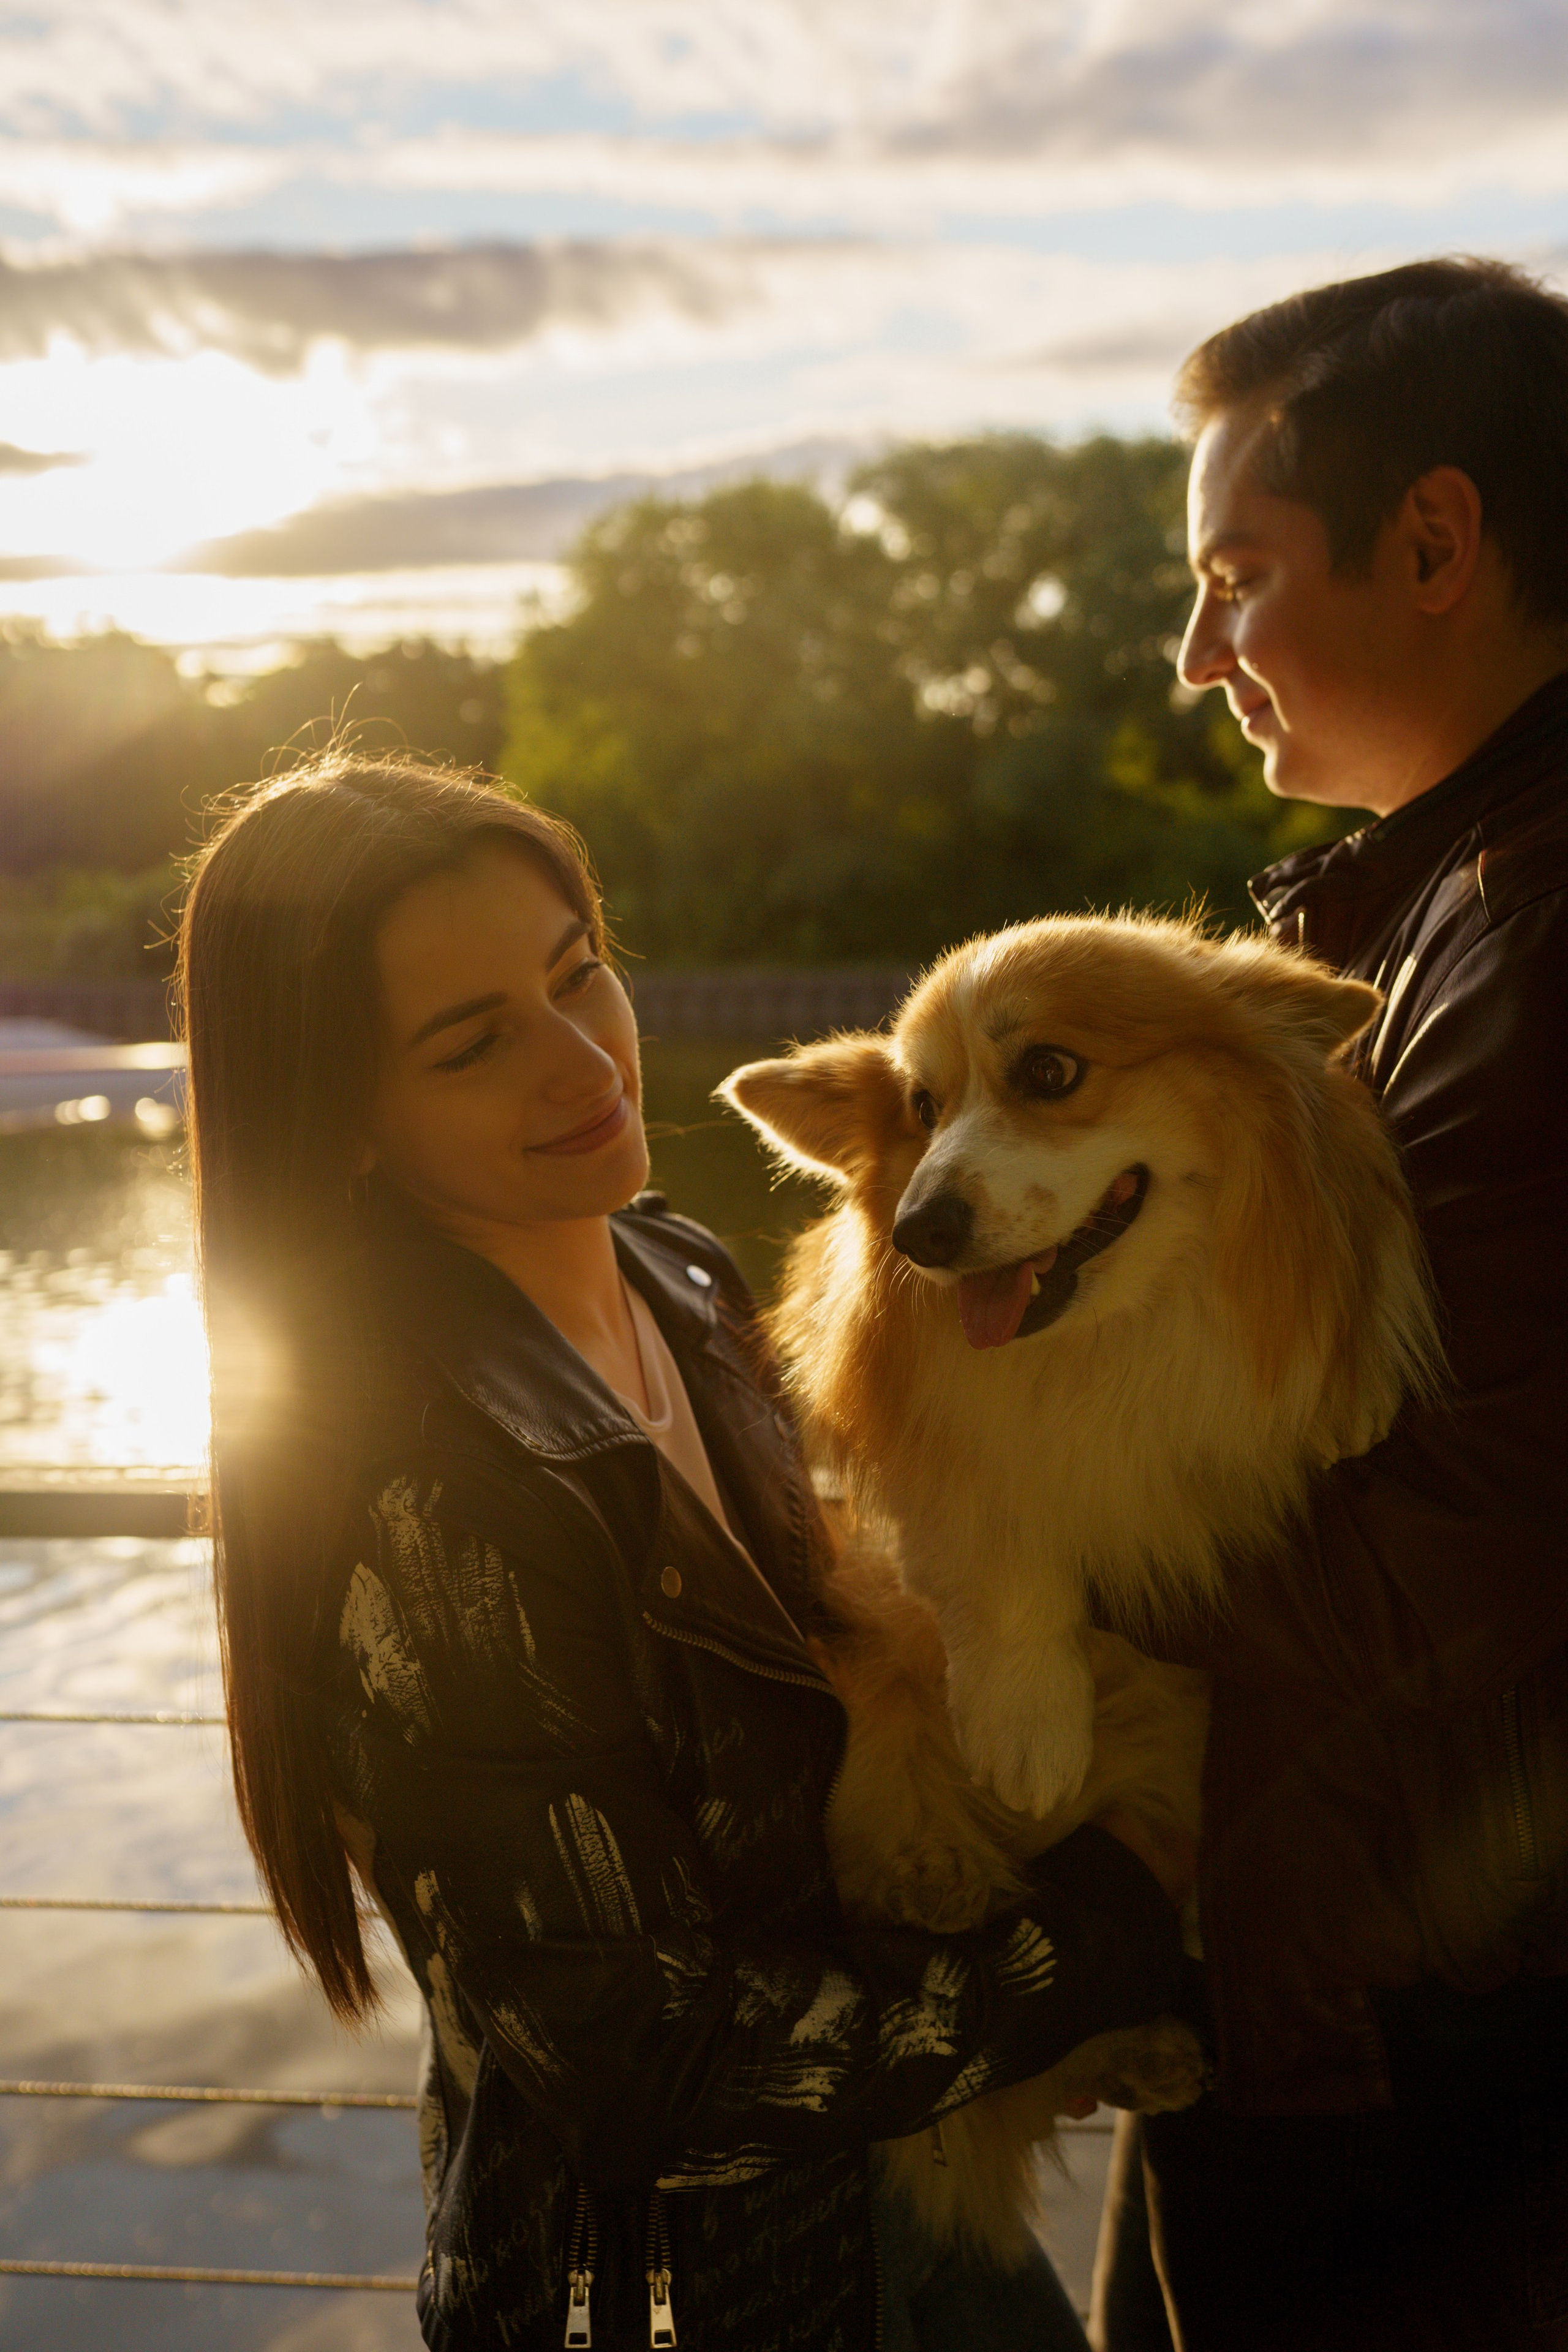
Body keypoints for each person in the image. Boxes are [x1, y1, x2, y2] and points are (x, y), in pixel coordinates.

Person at [178, 753, 1190, 2352]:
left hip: (914, 2200)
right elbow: (651, 2074)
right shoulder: (432, 1497)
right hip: (678, 2298)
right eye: (473, 1043)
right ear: (344, 1122)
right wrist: (1107, 1936)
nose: (584, 1062)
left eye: (581, 975)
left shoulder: (685, 1275)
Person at [1092, 258, 1568, 2351]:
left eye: (1236, 576)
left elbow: (1477, 1541)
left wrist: (1030, 1584)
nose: (1201, 655)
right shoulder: (1454, 896)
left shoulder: (1535, 941)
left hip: (1440, 2044)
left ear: (1437, 541)